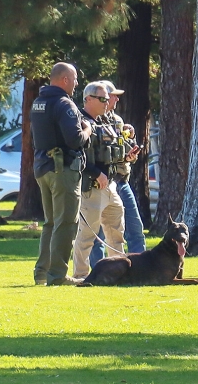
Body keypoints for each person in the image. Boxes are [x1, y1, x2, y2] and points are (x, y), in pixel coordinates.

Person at [31, 62, 92, 286]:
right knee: (66, 222)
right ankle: (57, 275)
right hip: (62, 169)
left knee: (50, 223)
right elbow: (74, 139)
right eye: (74, 79)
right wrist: (88, 129)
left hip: (43, 168)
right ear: (65, 79)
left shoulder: (38, 102)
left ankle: (42, 273)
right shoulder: (64, 104)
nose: (76, 83)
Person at [71, 81, 127, 279]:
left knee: (116, 232)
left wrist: (125, 158)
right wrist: (96, 173)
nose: (107, 102)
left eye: (107, 98)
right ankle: (80, 276)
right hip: (91, 187)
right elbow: (77, 155)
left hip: (110, 185)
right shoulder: (80, 122)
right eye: (102, 99)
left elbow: (109, 153)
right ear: (88, 99)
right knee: (87, 235)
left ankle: (119, 273)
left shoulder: (104, 121)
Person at [88, 80, 146, 268]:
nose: (115, 99)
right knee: (97, 234)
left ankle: (139, 267)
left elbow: (121, 154)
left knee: (134, 228)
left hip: (121, 179)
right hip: (102, 182)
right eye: (112, 95)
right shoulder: (93, 120)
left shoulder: (118, 121)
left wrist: (130, 155)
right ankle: (98, 270)